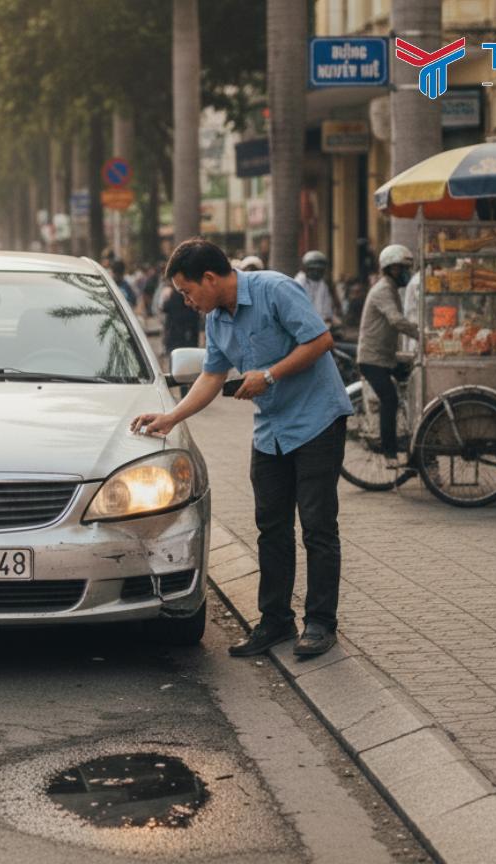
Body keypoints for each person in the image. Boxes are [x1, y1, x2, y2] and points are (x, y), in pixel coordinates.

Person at [130, 237, 352, 659]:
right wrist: (172, 417)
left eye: (187, 291)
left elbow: (320, 341)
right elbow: (212, 376)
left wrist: (268, 376)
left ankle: (321, 623)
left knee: (318, 525)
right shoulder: (217, 319)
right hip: (272, 430)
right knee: (271, 526)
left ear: (210, 278)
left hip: (317, 421)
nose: (186, 300)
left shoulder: (275, 289)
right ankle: (276, 621)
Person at [356, 245, 420, 468]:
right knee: (389, 400)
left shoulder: (391, 288)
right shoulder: (383, 289)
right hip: (373, 359)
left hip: (386, 357)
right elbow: (396, 320)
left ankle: (411, 443)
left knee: (413, 389)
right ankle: (389, 453)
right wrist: (422, 335)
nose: (407, 273)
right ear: (391, 268)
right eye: (403, 268)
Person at [294, 250, 343, 325]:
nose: (316, 272)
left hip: (321, 324)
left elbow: (326, 310)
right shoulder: (298, 283)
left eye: (319, 270)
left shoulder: (324, 284)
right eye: (313, 269)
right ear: (306, 269)